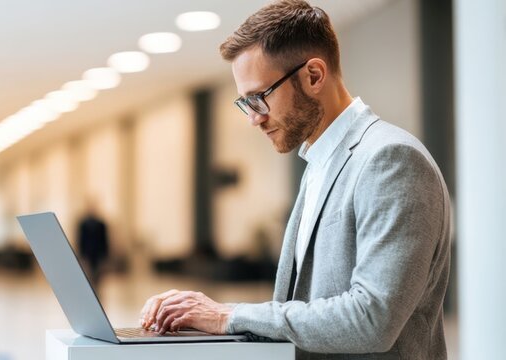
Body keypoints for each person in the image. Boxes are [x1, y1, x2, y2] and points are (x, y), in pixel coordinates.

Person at [138, 1, 452, 359]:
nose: (254, 118)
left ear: (314, 76)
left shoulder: (391, 159)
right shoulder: (318, 165)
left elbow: (372, 319)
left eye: (259, 98)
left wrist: (229, 316)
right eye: (245, 103)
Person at [78, 199, 109, 287]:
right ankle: (90, 285)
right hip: (87, 252)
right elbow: (81, 239)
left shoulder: (101, 224)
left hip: (98, 252)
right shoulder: (83, 224)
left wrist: (105, 254)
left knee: (98, 272)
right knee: (88, 271)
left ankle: (96, 285)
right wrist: (81, 253)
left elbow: (104, 240)